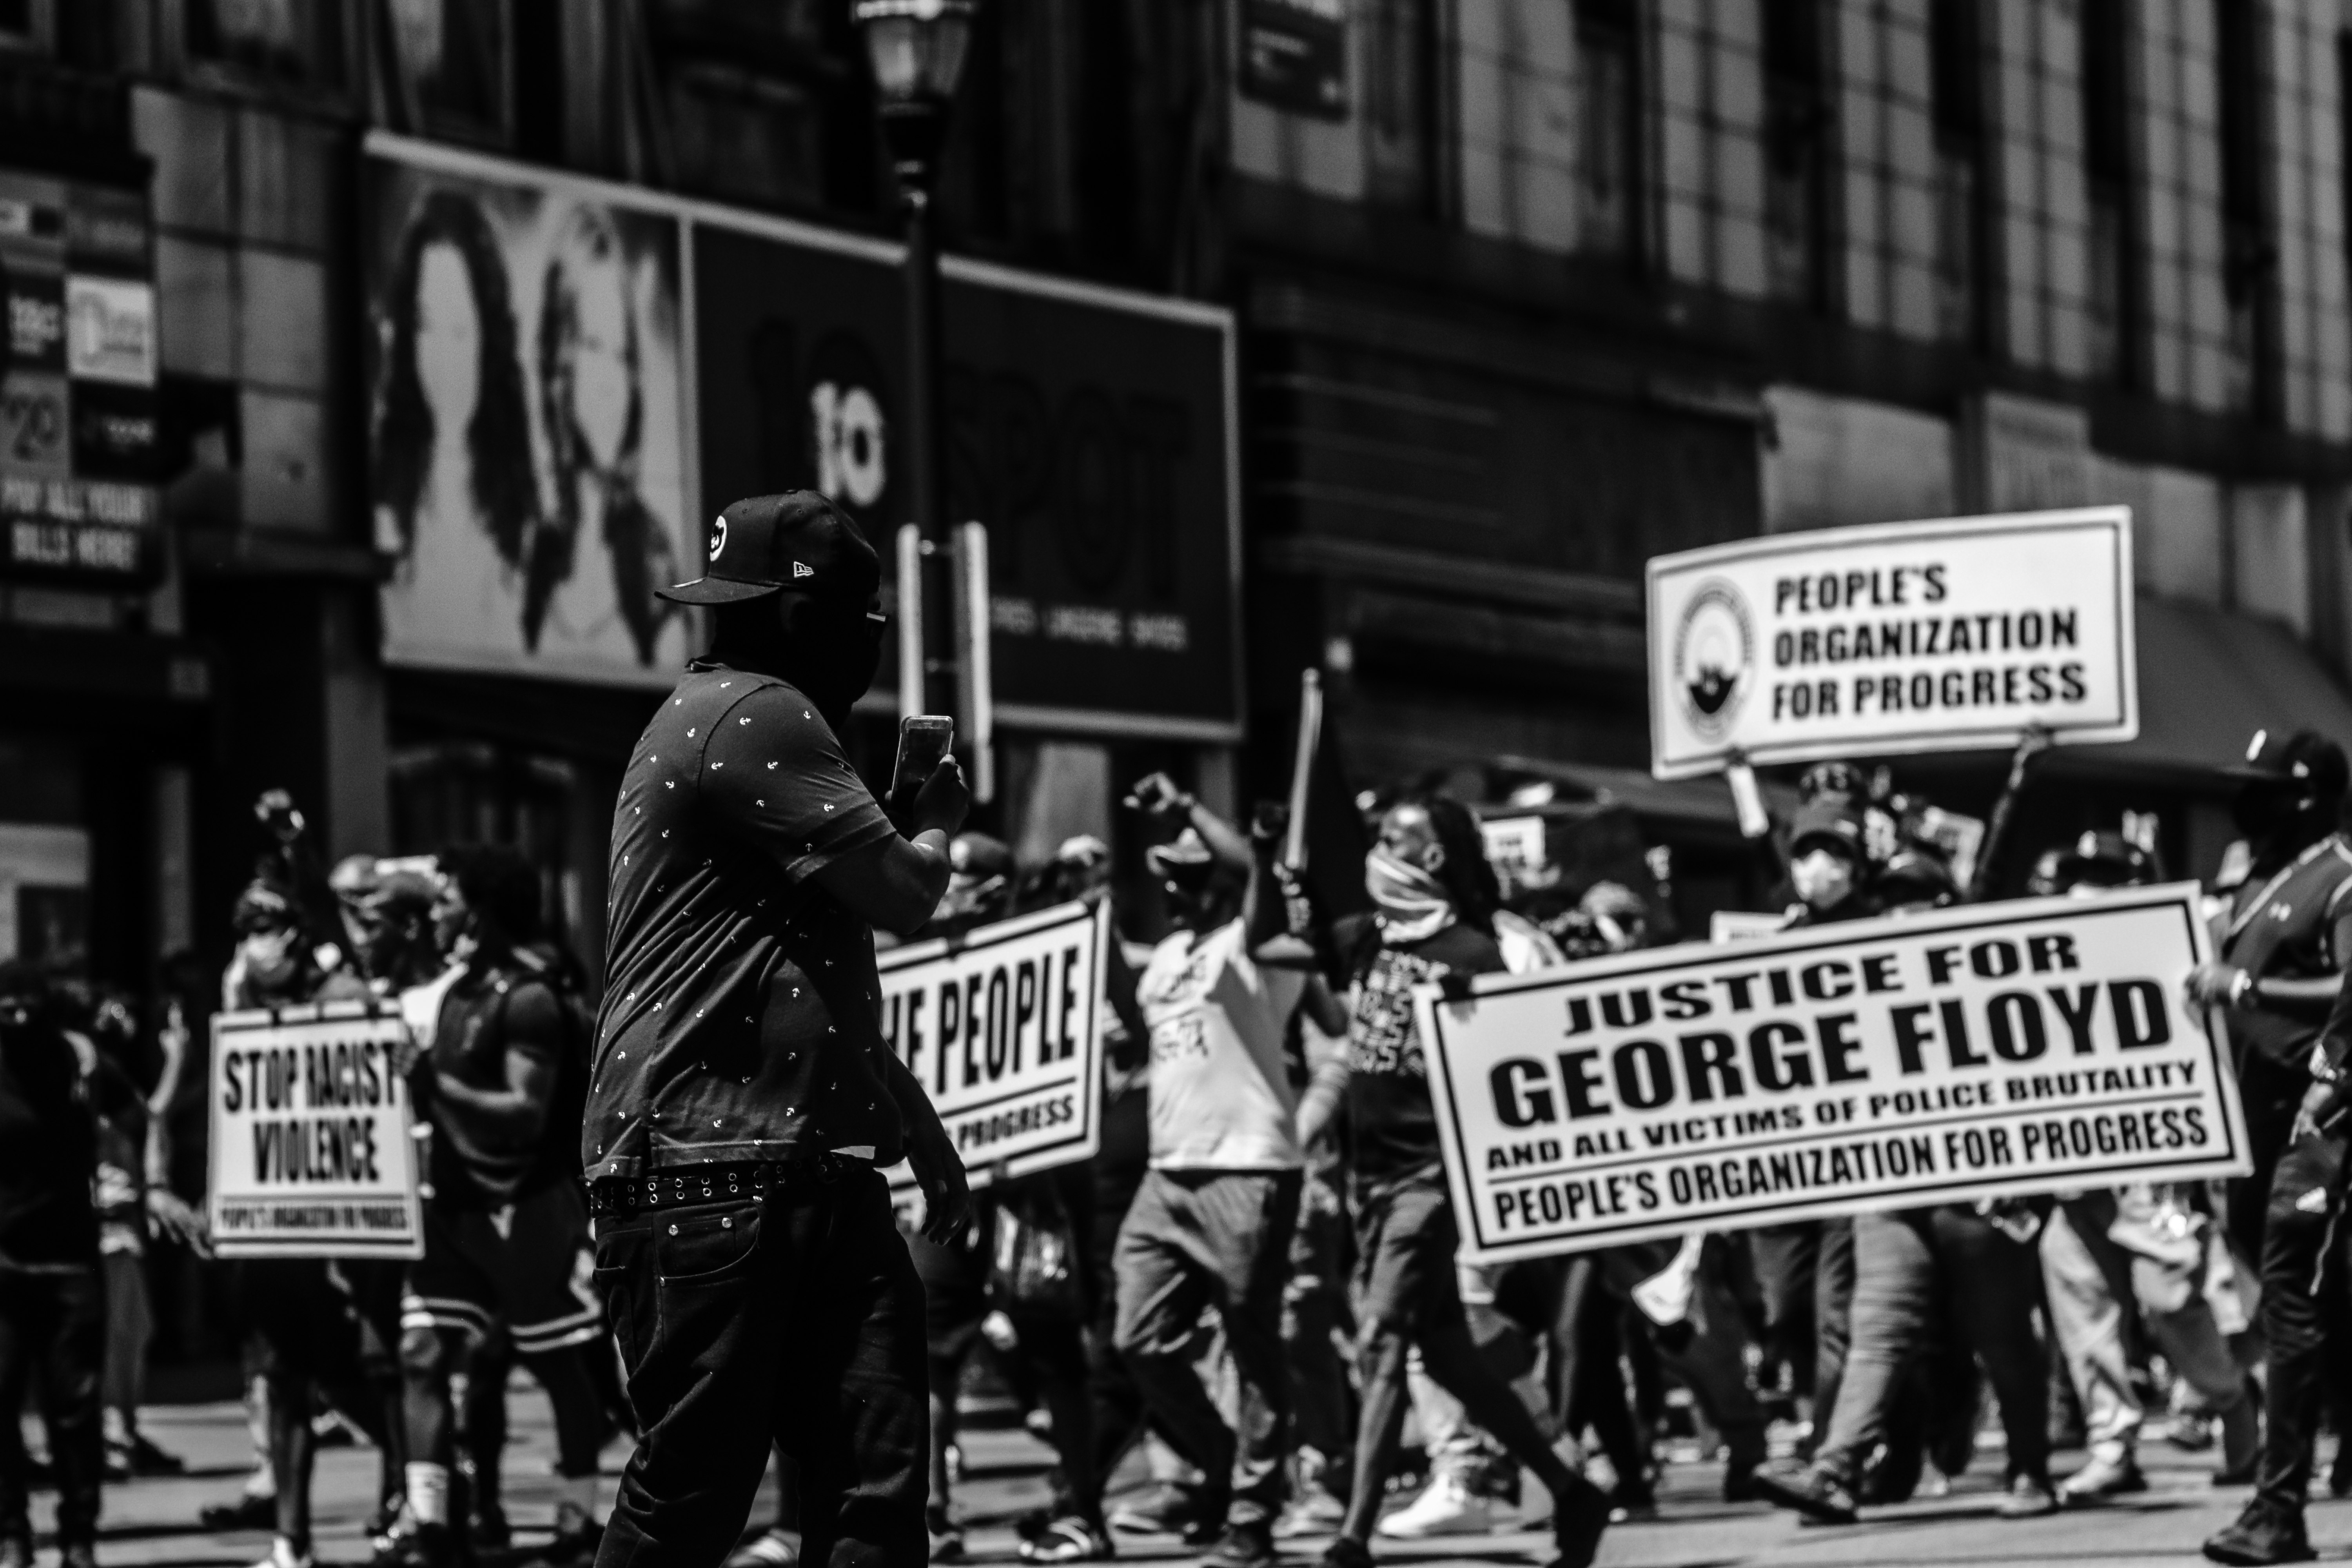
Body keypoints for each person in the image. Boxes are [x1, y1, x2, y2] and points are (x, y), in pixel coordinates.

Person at [587, 491, 971, 1568]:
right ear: (810, 617)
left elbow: (797, 972)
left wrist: (917, 1128)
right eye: (863, 617)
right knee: (695, 1499)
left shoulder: (736, 715)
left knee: (873, 1499)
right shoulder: (758, 715)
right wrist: (933, 826)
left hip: (800, 1169)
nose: (872, 642)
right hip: (712, 1171)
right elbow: (902, 894)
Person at [1314, 794, 1612, 1568]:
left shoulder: (1485, 952)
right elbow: (1281, 945)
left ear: (1434, 855)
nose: (1380, 849)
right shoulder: (1364, 939)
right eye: (1378, 837)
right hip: (1369, 1182)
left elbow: (1537, 1057)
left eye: (1395, 838)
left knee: (1383, 1337)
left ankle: (1353, 1534)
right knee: (1446, 1351)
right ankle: (1570, 1491)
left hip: (1432, 1178)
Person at [1111, 777, 1338, 1568]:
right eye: (1164, 869)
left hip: (1248, 1170)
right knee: (1137, 1336)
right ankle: (1220, 1463)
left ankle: (1252, 1516)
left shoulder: (1261, 945)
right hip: (1167, 1175)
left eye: (1188, 869)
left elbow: (1259, 883)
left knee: (1254, 1346)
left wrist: (1195, 814)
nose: (1171, 882)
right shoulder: (1169, 953)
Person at [378, 845, 611, 1568]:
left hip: (522, 1211)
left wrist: (432, 1085)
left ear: (475, 909)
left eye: (443, 897)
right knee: (421, 1354)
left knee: (554, 1365)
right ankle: (432, 1526)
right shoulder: (454, 991)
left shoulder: (529, 997)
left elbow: (523, 1112)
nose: (433, 911)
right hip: (451, 1206)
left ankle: (578, 1514)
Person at [2026, 833, 2259, 1504]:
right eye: (2078, 875)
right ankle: (2111, 1443)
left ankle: (2232, 1403)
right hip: (2075, 1163)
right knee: (2079, 1292)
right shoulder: (2039, 958)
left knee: (2167, 1300)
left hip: (2148, 1164)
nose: (2086, 889)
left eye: (2104, 876)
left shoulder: (2177, 948)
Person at [2201, 734, 2352, 1564]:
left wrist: (2251, 988)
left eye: (2266, 790)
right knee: (2314, 1301)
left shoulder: (2339, 877)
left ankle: (2278, 1508)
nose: (2247, 803)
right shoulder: (2260, 881)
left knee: (2292, 1300)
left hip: (2321, 1119)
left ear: (2307, 796)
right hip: (2259, 1128)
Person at [372, 187, 539, 662]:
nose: (442, 360)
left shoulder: (525, 516)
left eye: (461, 331)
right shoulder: (384, 502)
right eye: (426, 327)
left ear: (489, 338)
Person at [531, 205, 679, 666]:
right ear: (560, 369)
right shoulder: (531, 553)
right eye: (593, 347)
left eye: (621, 353)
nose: (609, 382)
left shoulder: (657, 561)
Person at [0, 964, 108, 1568]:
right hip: (5, 1267)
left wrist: (153, 1185)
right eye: (5, 1011)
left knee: (76, 1412)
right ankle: (12, 1535)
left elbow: (138, 1113)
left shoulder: (77, 1062)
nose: (18, 1020)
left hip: (71, 1264)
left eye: (27, 1010)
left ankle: (79, 1538)